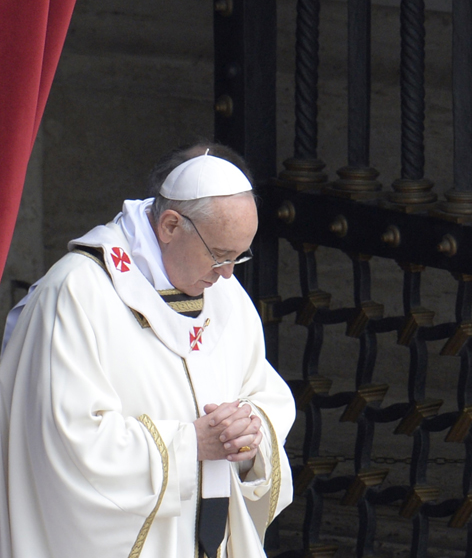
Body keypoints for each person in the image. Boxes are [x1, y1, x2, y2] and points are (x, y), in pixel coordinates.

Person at [0, 143, 294, 558]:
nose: (228, 274)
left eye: (238, 257)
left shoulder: (225, 294)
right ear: (171, 226)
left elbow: (263, 393)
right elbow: (64, 442)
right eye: (220, 256)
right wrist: (190, 444)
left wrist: (248, 435)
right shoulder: (77, 293)